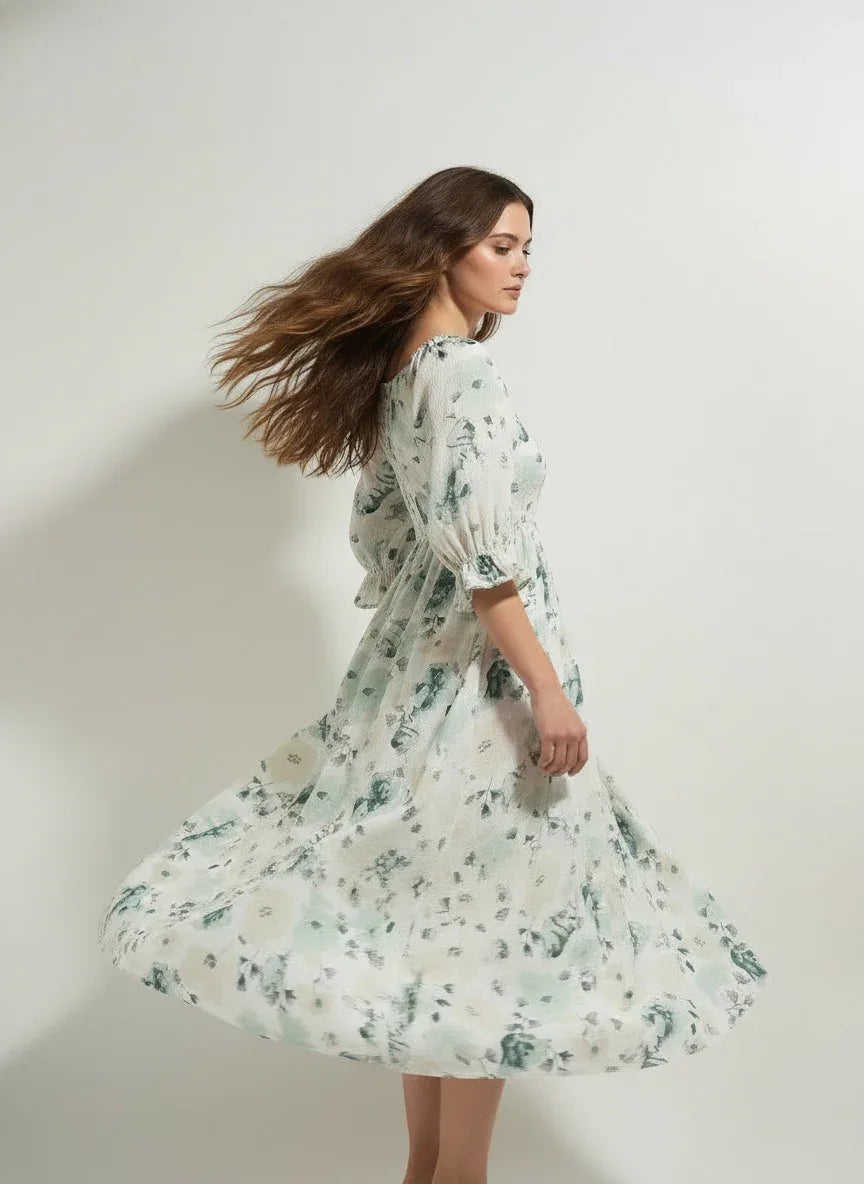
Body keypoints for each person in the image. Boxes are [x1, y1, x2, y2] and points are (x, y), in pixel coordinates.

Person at [97, 166, 768, 1184]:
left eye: (529, 248)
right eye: (504, 245)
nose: (523, 267)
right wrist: (545, 685)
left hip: (409, 684)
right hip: (479, 694)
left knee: (433, 934)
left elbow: (383, 537)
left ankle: (430, 1171)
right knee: (490, 938)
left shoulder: (404, 376)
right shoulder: (458, 372)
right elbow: (483, 559)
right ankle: (459, 1176)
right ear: (442, 246)